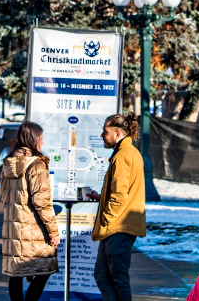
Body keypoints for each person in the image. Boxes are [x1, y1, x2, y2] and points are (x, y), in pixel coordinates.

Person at [88, 113, 146, 301]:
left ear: (118, 133)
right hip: (119, 225)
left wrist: (107, 219)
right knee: (103, 275)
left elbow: (120, 196)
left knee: (116, 278)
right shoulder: (128, 152)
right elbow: (122, 191)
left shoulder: (122, 156)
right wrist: (101, 197)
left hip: (118, 226)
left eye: (105, 132)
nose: (102, 136)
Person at [0, 121, 59, 301]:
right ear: (34, 140)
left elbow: (4, 196)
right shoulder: (36, 165)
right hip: (34, 229)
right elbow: (42, 202)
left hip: (13, 229)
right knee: (44, 270)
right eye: (40, 138)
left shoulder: (9, 163)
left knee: (16, 273)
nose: (42, 142)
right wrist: (53, 232)